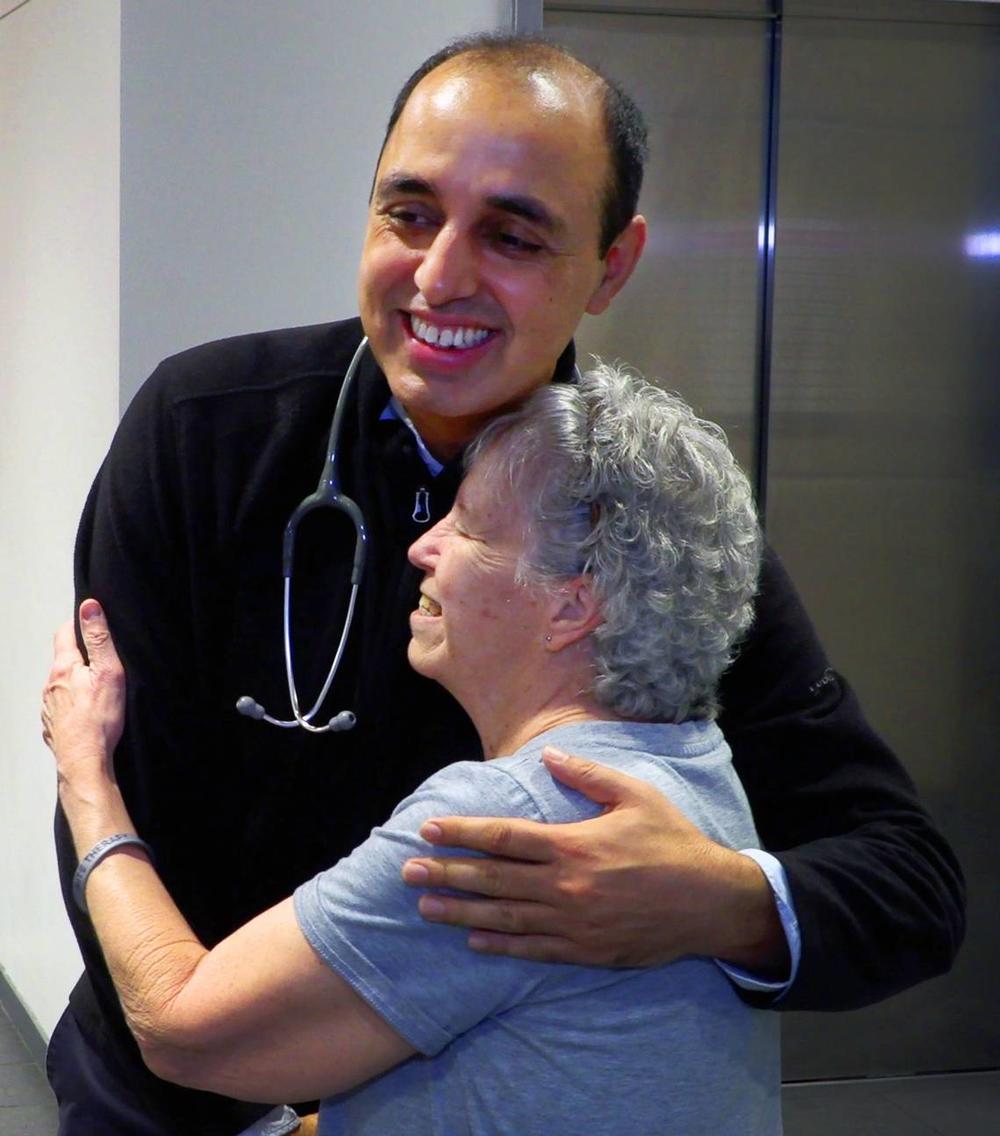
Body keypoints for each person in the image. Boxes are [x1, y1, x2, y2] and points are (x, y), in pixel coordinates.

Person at [48, 31, 964, 1136]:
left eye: (513, 233)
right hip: (172, 1095)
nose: (440, 275)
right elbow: (117, 797)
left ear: (611, 266)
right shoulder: (204, 431)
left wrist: (715, 900)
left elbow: (907, 883)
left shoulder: (651, 517)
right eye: (409, 213)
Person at [44, 364, 782, 1134]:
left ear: (570, 606)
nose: (423, 546)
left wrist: (85, 771)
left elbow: (177, 1026)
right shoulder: (699, 767)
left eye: (467, 527)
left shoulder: (512, 822)